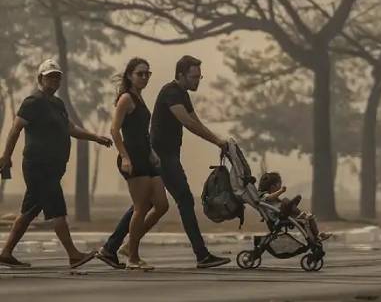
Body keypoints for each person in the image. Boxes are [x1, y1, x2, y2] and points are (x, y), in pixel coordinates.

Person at [101, 55, 230, 269]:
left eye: (199, 76)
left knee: (148, 204)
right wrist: (216, 140)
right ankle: (201, 255)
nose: (198, 80)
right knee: (183, 200)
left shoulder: (179, 94)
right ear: (181, 75)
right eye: (194, 76)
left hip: (156, 154)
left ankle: (115, 247)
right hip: (161, 155)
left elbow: (194, 118)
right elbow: (187, 122)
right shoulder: (171, 92)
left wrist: (218, 140)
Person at [0, 59, 112, 268]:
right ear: (40, 78)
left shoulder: (57, 104)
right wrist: (6, 156)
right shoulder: (32, 102)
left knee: (29, 212)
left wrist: (95, 137)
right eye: (50, 76)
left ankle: (6, 252)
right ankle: (73, 255)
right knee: (57, 210)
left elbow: (71, 129)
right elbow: (15, 129)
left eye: (57, 77)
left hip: (53, 167)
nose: (54, 80)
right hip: (38, 166)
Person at [96, 58, 168, 271]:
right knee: (140, 207)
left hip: (146, 157)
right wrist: (125, 157)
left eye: (147, 74)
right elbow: (114, 130)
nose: (144, 77)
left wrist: (153, 152)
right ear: (129, 75)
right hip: (133, 158)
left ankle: (128, 246)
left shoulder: (140, 97)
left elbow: (142, 132)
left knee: (161, 205)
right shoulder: (126, 98)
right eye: (140, 74)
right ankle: (133, 257)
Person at [258, 171, 330, 243]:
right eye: (279, 185)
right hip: (278, 216)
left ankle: (316, 236)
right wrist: (281, 191)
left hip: (282, 213)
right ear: (272, 187)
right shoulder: (264, 195)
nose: (280, 187)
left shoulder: (274, 199)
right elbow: (269, 198)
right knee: (285, 201)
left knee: (310, 217)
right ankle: (299, 213)